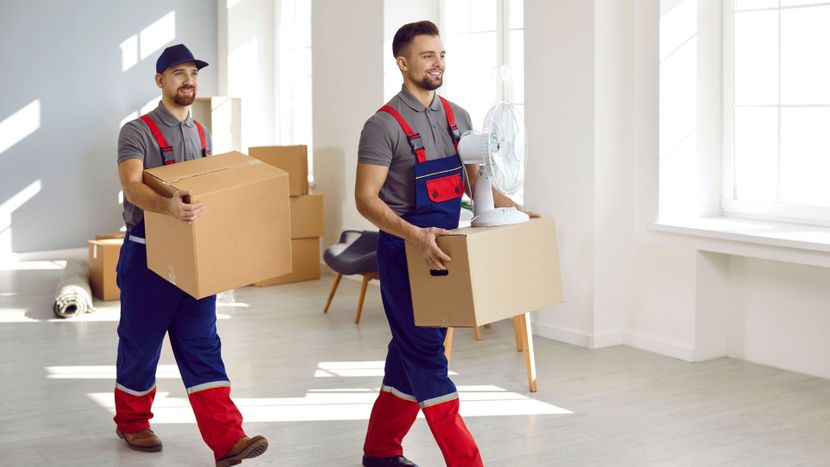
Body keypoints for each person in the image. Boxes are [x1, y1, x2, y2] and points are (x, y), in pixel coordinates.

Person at [355, 20, 536, 467]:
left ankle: (380, 453)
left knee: (408, 354)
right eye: (426, 56)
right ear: (402, 63)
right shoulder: (382, 125)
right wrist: (415, 235)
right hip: (404, 253)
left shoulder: (460, 118)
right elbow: (365, 199)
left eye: (441, 55)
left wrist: (516, 211)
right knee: (426, 356)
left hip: (446, 251)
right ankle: (467, 461)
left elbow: (476, 184)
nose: (437, 63)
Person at [114, 43, 268, 467]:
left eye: (194, 73)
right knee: (141, 344)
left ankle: (228, 439)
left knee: (202, 344)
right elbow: (132, 186)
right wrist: (166, 206)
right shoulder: (137, 131)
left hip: (195, 258)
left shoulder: (202, 134)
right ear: (159, 80)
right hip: (147, 257)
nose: (189, 80)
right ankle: (131, 422)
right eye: (178, 73)